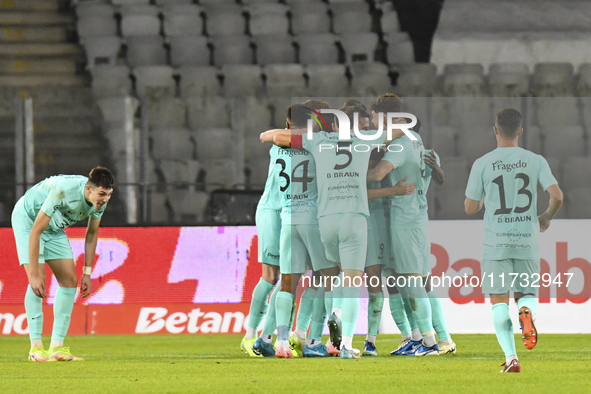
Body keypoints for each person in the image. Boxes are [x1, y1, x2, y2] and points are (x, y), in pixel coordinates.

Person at [465, 108, 562, 373]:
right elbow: (557, 196)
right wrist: (545, 217)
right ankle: (527, 313)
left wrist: (486, 193)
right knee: (527, 295)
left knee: (499, 302)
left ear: (495, 130)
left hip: (497, 244)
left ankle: (512, 359)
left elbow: (470, 208)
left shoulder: (482, 163)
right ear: (520, 130)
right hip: (526, 241)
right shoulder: (535, 160)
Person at [11, 167, 114, 362]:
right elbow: (36, 231)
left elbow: (92, 234)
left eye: (109, 194)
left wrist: (87, 272)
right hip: (29, 222)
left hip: (54, 228)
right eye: (102, 194)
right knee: (37, 281)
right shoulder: (63, 191)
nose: (105, 199)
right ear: (88, 189)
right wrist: (33, 274)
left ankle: (57, 348)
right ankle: (35, 348)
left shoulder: (99, 203)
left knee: (69, 280)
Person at [367, 95, 440, 356]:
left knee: (411, 282)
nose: (373, 122)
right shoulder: (415, 139)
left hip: (405, 219)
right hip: (419, 216)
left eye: (374, 116)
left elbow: (377, 174)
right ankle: (423, 339)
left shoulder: (398, 144)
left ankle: (429, 343)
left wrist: (346, 176)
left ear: (383, 116)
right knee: (415, 280)